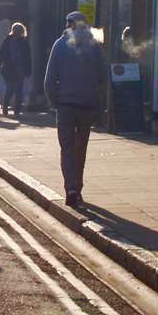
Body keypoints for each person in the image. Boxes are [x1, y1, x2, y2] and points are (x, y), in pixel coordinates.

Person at [44, 11, 105, 209]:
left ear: (69, 24)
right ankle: (77, 187)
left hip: (66, 106)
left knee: (67, 148)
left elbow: (49, 80)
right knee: (81, 148)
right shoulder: (94, 45)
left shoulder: (59, 45)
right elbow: (102, 75)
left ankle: (71, 188)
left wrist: (55, 101)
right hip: (86, 105)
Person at [0, 22, 32, 117]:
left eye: (18, 31)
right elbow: (1, 54)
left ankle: (17, 110)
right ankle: (6, 106)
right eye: (15, 30)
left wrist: (28, 70)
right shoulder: (7, 40)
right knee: (10, 89)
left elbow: (27, 57)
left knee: (18, 91)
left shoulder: (24, 42)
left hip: (19, 70)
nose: (16, 32)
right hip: (9, 69)